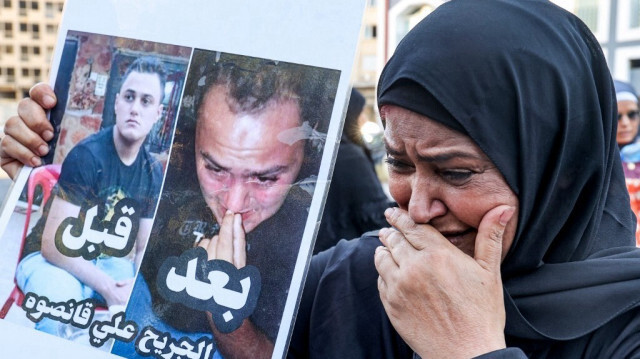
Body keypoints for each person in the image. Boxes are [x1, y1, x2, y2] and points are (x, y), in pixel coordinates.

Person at [287, 1, 640, 358]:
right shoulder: (351, 279)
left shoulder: (627, 330)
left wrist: (467, 348)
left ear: (562, 171)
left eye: (456, 172)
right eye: (400, 163)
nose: (420, 210)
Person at [6, 56, 166, 336]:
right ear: (116, 103)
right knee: (57, 310)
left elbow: (143, 248)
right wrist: (106, 286)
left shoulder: (152, 171)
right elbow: (53, 247)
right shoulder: (87, 156)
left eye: (146, 101)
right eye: (129, 97)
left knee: (145, 313)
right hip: (52, 260)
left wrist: (134, 286)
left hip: (106, 260)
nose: (135, 109)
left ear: (158, 113)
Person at [314, 88, 392, 253]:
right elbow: (376, 216)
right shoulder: (350, 156)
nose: (363, 119)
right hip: (348, 253)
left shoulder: (319, 151)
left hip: (322, 255)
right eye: (360, 113)